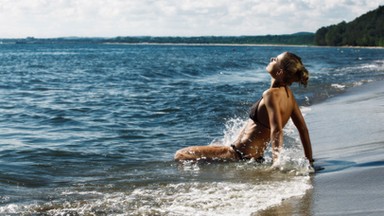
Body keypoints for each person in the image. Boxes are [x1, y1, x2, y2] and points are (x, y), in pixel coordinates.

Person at [174, 52, 314, 167]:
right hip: (250, 156)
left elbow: (276, 130)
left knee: (181, 155)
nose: (272, 59)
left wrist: (276, 163)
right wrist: (309, 160)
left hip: (238, 155)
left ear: (279, 72)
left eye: (276, 59)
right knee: (213, 148)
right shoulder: (289, 96)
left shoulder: (270, 94)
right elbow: (303, 129)